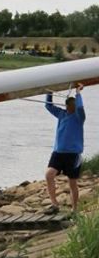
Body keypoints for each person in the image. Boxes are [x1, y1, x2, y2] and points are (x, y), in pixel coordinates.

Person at [44, 84, 85, 213]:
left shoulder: (79, 117)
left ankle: (74, 209)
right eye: (68, 105)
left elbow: (81, 107)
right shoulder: (62, 114)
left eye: (72, 105)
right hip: (58, 153)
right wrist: (49, 92)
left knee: (72, 183)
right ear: (66, 105)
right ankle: (55, 204)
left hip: (73, 155)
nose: (69, 107)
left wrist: (78, 93)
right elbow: (48, 106)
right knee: (49, 175)